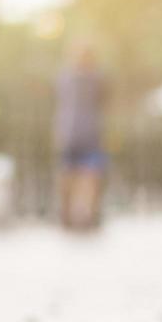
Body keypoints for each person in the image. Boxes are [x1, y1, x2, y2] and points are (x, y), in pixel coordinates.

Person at [53, 42, 108, 231]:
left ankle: (74, 215)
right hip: (82, 133)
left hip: (74, 133)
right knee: (81, 175)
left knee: (79, 174)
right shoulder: (92, 79)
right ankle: (79, 215)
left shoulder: (66, 78)